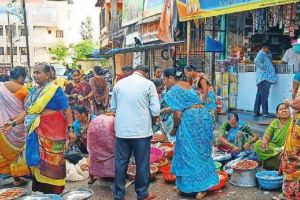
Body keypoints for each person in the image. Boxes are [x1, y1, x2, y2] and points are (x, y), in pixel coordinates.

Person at [6, 63, 75, 194]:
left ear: (48, 75)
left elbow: (67, 110)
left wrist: (71, 130)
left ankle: (55, 192)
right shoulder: (34, 91)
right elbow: (28, 111)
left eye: (38, 72)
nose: (35, 75)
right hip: (36, 130)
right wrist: (13, 123)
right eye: (34, 72)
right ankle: (40, 191)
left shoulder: (55, 90)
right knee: (37, 161)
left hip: (53, 131)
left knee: (53, 161)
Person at [163, 67, 219, 199]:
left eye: (164, 79)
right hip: (203, 116)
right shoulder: (185, 84)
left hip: (191, 120)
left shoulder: (173, 90)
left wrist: (174, 128)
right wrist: (168, 110)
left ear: (171, 78)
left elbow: (178, 113)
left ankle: (201, 187)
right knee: (201, 152)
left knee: (187, 152)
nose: (164, 82)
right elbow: (188, 103)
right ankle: (186, 186)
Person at [111, 65, 160, 200]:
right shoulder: (148, 84)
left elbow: (113, 108)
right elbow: (156, 111)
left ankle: (118, 194)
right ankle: (142, 193)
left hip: (122, 131)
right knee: (142, 163)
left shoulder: (119, 84)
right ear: (145, 73)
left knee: (121, 163)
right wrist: (152, 121)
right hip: (141, 131)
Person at [0, 67, 29, 186]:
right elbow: (27, 110)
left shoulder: (0, 86)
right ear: (21, 77)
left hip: (2, 124)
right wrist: (15, 121)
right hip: (18, 125)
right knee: (18, 152)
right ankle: (17, 179)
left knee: (3, 151)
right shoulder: (24, 90)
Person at [254, 103, 291, 170]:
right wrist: (264, 140)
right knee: (258, 144)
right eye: (281, 109)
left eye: (286, 108)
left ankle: (271, 163)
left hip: (288, 149)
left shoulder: (294, 122)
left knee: (289, 154)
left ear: (289, 111)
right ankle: (279, 160)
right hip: (275, 149)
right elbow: (267, 135)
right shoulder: (275, 122)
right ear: (277, 114)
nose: (284, 110)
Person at [279, 90, 300, 199]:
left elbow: (297, 103)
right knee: (289, 180)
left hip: (295, 157)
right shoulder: (296, 116)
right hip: (291, 154)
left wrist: (289, 103)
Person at [87, 113, 116, 184]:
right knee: (114, 151)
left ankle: (91, 178)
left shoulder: (97, 119)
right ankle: (116, 175)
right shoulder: (113, 120)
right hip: (106, 134)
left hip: (94, 134)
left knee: (93, 154)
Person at [253, 43, 276, 117]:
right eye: (268, 49)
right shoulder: (261, 54)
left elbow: (270, 57)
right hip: (264, 77)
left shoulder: (265, 54)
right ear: (264, 47)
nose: (269, 50)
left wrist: (269, 53)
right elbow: (256, 61)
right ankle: (265, 112)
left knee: (259, 95)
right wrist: (264, 68)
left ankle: (256, 111)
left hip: (263, 78)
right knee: (264, 96)